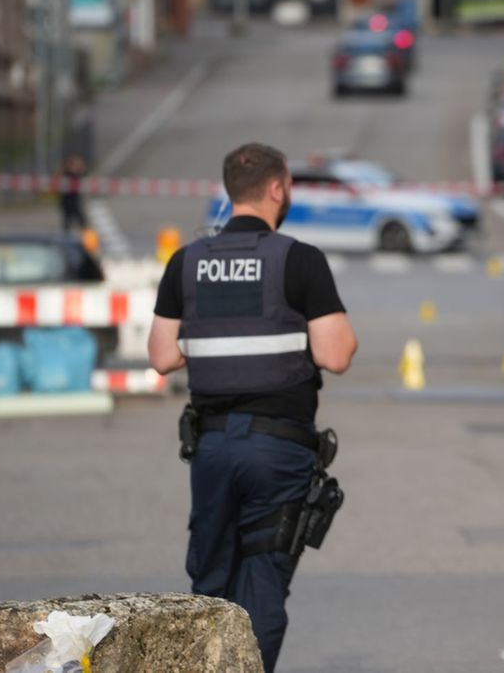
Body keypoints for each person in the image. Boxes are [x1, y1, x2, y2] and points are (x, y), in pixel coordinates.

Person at [147, 143, 358, 673]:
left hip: (213, 449)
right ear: (277, 188)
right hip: (277, 450)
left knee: (211, 590)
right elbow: (336, 355)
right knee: (261, 593)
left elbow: (162, 356)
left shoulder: (187, 262)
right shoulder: (298, 260)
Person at [59, 154, 88, 233]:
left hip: (74, 201)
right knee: (68, 223)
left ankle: (88, 237)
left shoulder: (76, 174)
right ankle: (66, 239)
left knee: (81, 221)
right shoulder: (66, 174)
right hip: (67, 201)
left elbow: (83, 171)